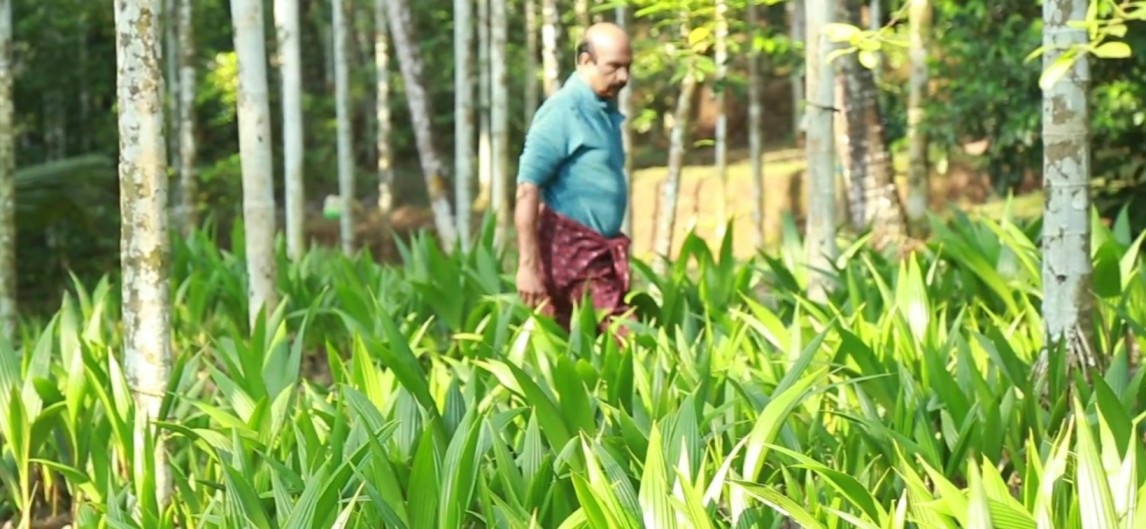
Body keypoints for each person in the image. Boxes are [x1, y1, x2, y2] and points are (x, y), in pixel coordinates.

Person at [513, 22, 635, 339]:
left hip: (597, 251)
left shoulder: (602, 111)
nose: (623, 77)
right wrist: (527, 266)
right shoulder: (563, 111)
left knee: (576, 341)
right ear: (585, 62)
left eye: (627, 67)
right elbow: (527, 189)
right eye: (614, 67)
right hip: (572, 249)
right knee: (627, 340)